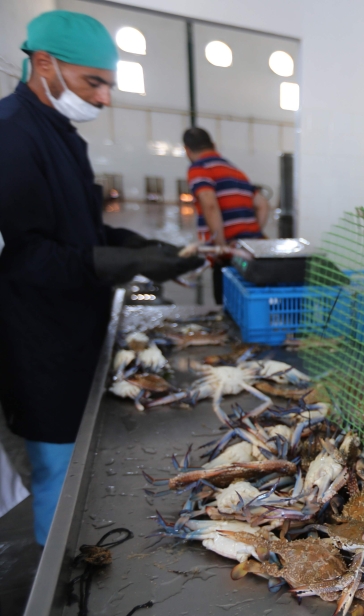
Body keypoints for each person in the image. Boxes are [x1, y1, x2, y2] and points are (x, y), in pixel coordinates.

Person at [0, 10, 202, 545]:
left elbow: (78, 233)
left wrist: (138, 247)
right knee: (60, 477)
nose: (104, 98)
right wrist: (116, 264)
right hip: (38, 345)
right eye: (94, 82)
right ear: (43, 64)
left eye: (108, 84)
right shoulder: (11, 136)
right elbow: (24, 257)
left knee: (82, 470)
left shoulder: (63, 136)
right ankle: (59, 580)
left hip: (78, 331)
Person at [183, 127, 265, 304]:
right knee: (250, 305)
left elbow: (209, 203)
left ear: (187, 150)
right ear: (214, 145)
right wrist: (254, 236)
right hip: (250, 254)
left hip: (228, 257)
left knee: (228, 309)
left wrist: (220, 245)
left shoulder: (198, 169)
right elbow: (263, 205)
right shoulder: (236, 171)